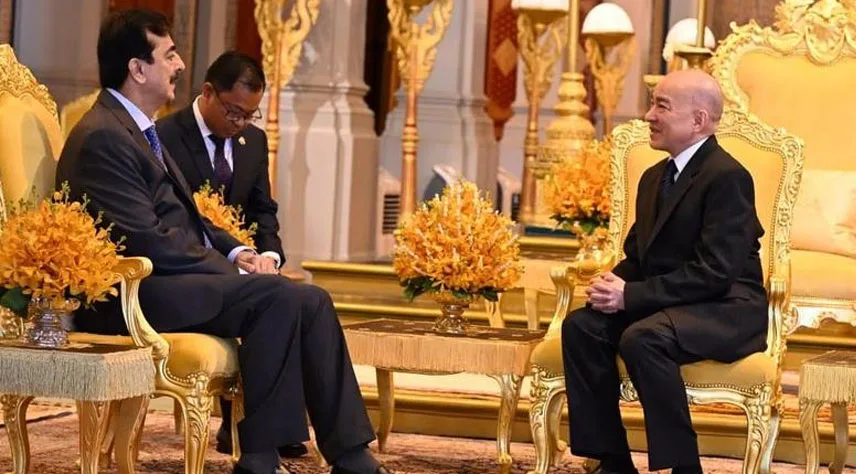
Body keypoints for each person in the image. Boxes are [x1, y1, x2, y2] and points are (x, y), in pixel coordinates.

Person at [56, 9, 390, 474]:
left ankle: (348, 454)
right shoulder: (104, 136)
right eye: (169, 55)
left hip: (170, 281)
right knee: (277, 296)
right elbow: (147, 240)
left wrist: (240, 252)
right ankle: (259, 457)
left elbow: (188, 217)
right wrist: (228, 269)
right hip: (132, 293)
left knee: (310, 299)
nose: (179, 65)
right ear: (137, 69)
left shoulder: (135, 128)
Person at [561, 69, 767, 474]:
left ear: (698, 120)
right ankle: (612, 462)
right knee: (582, 327)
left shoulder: (728, 177)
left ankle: (684, 467)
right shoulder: (655, 177)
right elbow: (639, 257)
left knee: (643, 338)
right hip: (672, 304)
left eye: (662, 106)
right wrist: (611, 285)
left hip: (725, 308)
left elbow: (716, 272)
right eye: (652, 104)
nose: (648, 115)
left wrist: (631, 296)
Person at [156, 50, 304, 459]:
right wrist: (232, 255)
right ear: (208, 92)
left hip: (246, 259)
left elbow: (262, 210)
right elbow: (173, 216)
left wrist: (270, 256)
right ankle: (241, 422)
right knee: (267, 301)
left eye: (250, 115)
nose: (240, 123)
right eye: (234, 112)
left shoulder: (253, 141)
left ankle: (267, 423)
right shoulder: (165, 136)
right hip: (191, 262)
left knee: (289, 297)